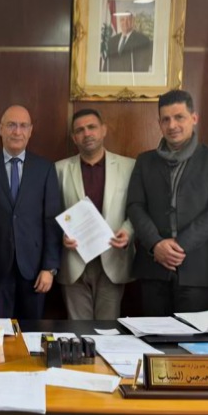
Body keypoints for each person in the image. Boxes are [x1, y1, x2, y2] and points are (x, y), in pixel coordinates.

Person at [126, 89, 208, 316]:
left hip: (197, 270)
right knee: (153, 336)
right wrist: (156, 245)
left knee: (191, 337)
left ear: (194, 118)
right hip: (153, 267)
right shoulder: (145, 160)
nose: (172, 125)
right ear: (159, 123)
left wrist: (179, 245)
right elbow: (135, 206)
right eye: (165, 119)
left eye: (179, 117)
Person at [0, 105, 62, 320]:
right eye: (11, 125)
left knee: (32, 331)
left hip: (34, 270)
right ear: (0, 129)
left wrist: (49, 268)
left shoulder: (45, 169)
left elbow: (51, 221)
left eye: (23, 126)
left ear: (30, 131)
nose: (17, 131)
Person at [55, 109, 135, 320]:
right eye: (80, 130)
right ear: (74, 137)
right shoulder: (59, 169)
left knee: (107, 331)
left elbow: (137, 210)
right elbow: (51, 214)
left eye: (92, 127)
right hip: (74, 261)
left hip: (112, 260)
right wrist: (61, 235)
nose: (87, 134)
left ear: (103, 130)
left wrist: (127, 232)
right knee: (78, 330)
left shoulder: (129, 167)